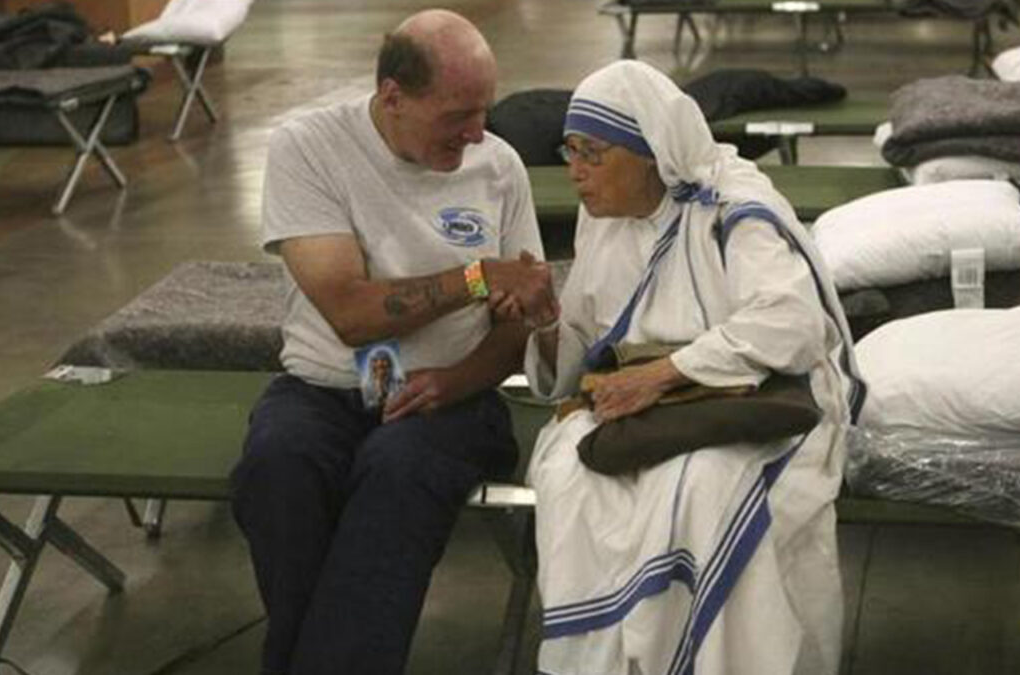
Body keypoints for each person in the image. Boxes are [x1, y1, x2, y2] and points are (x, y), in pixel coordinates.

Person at [512, 61, 865, 675]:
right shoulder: (602, 220)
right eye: (570, 150)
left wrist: (667, 372)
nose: (575, 171)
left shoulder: (732, 209)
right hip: (643, 407)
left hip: (752, 404)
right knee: (572, 471)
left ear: (651, 153)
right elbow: (582, 348)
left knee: (701, 488)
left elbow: (792, 326)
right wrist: (544, 325)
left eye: (593, 153)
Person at [229, 9, 551, 674]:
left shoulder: (499, 166)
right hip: (321, 387)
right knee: (275, 465)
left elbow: (516, 325)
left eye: (484, 110)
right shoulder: (309, 147)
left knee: (398, 471)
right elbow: (350, 313)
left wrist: (455, 380)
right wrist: (476, 276)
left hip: (455, 400)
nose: (476, 131)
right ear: (393, 98)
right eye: (457, 113)